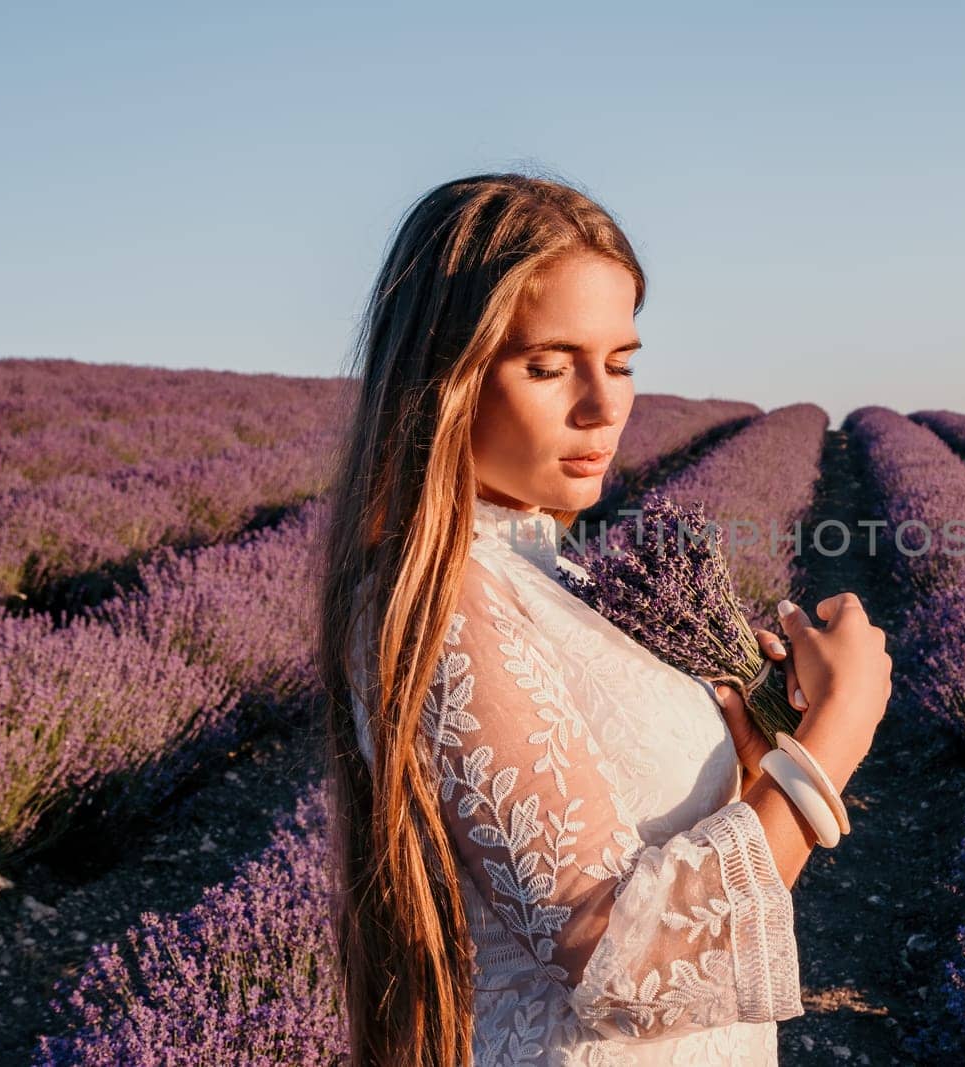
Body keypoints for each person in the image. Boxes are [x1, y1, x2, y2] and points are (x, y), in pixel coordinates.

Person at [315, 172, 893, 1066]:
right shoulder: (448, 603)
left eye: (620, 361)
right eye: (548, 365)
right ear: (443, 377)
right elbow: (624, 965)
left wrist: (745, 763)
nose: (604, 402)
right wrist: (834, 736)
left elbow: (630, 845)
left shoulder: (554, 573)